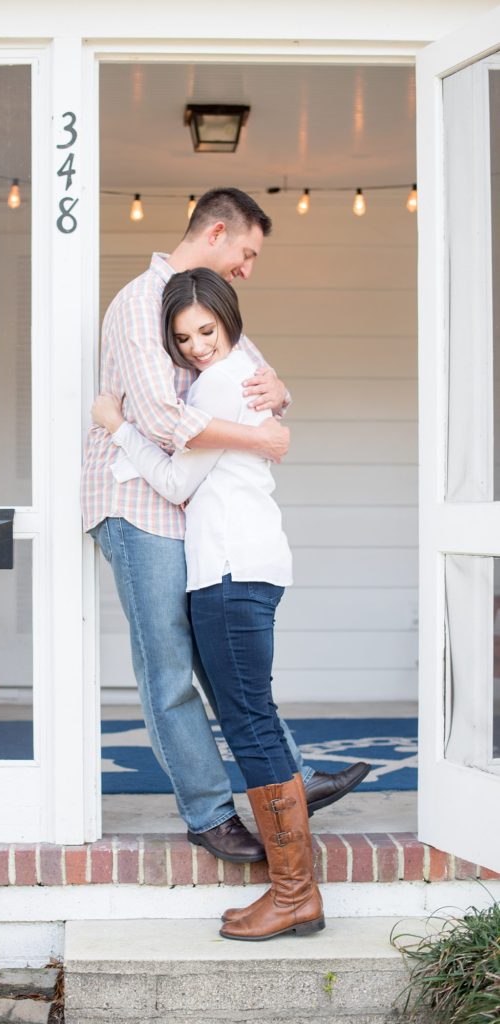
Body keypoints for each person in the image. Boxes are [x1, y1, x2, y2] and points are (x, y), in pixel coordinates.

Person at [81, 188, 369, 864]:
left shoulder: (200, 297)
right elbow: (160, 419)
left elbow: (251, 371)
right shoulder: (139, 302)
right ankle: (209, 814)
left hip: (185, 507)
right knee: (171, 670)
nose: (248, 268)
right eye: (247, 252)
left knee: (219, 659)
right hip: (135, 501)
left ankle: (288, 780)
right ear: (216, 232)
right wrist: (260, 440)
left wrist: (280, 394)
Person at [91, 267, 325, 941]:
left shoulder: (219, 386)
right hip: (248, 567)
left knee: (248, 724)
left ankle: (293, 895)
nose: (195, 346)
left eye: (206, 330)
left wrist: (117, 425)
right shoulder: (241, 368)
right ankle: (293, 892)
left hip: (228, 573)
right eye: (182, 336)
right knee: (254, 714)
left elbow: (170, 476)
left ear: (228, 320)